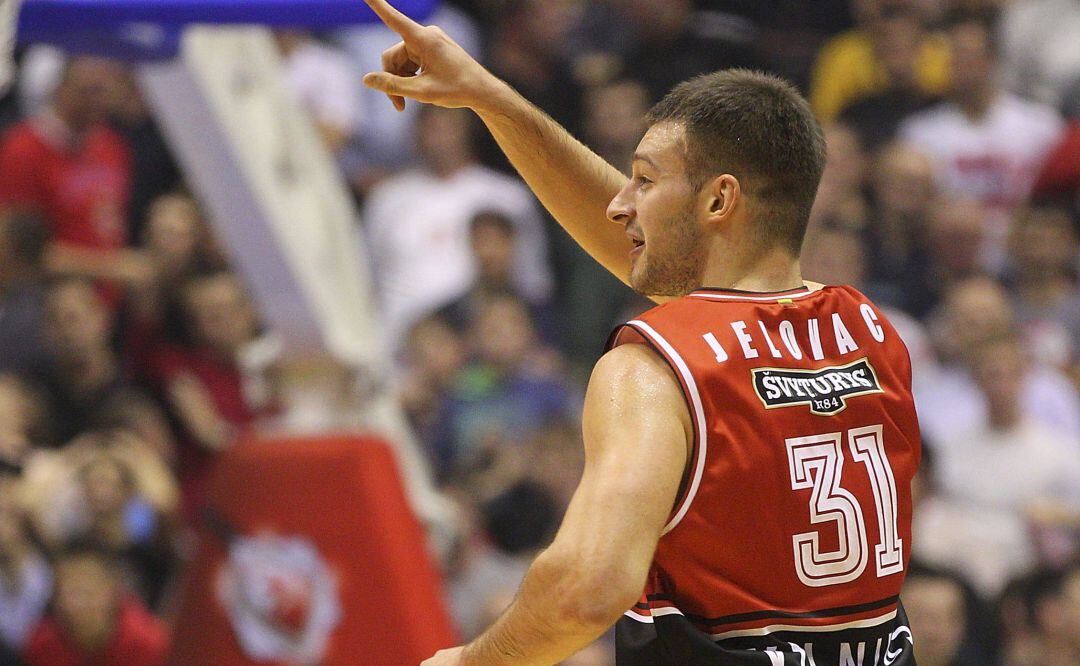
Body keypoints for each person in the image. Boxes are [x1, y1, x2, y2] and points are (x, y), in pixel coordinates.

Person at [361, 1, 921, 663]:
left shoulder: (655, 367)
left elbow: (587, 589)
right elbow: (647, 248)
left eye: (646, 181)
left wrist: (470, 660)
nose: (621, 202)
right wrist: (495, 101)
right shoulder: (869, 331)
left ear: (718, 201)